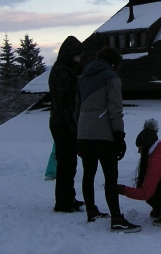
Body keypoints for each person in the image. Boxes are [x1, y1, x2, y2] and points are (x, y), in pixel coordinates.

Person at [75, 46, 140, 232]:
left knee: (89, 172)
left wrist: (78, 136)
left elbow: (77, 108)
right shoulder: (110, 76)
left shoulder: (83, 78)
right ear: (113, 63)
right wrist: (119, 134)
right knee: (110, 176)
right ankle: (117, 218)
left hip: (84, 132)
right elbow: (115, 107)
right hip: (103, 133)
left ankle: (91, 211)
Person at [48, 35, 84, 213]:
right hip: (63, 123)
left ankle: (68, 197)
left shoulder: (64, 69)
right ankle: (63, 202)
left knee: (68, 163)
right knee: (66, 163)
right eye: (77, 55)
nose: (79, 59)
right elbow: (64, 102)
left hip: (62, 121)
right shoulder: (62, 72)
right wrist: (72, 126)